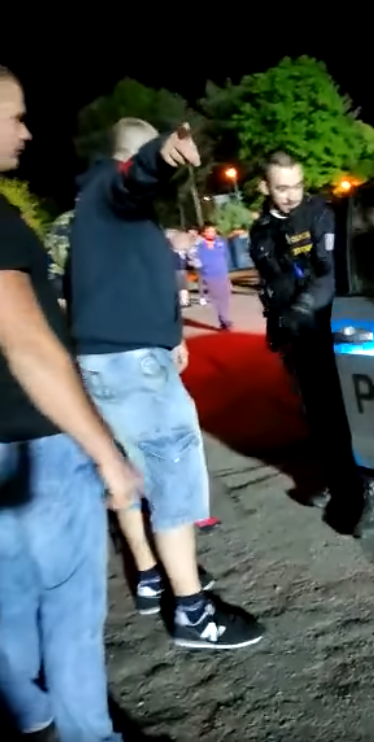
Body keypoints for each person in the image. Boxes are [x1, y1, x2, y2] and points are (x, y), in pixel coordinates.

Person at [66, 117, 263, 649]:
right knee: (173, 477)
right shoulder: (111, 191)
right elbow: (134, 178)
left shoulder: (98, 214)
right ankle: (193, 612)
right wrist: (159, 156)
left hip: (120, 360)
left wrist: (169, 334)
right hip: (132, 367)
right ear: (129, 155)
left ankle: (155, 577)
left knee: (135, 473)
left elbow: (127, 283)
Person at [0, 67, 141, 741]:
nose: (25, 131)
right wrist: (105, 452)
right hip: (36, 446)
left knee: (10, 602)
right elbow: (26, 343)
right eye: (13, 115)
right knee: (70, 611)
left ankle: (29, 713)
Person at [249, 151, 374, 538]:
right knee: (319, 417)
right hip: (297, 337)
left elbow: (327, 274)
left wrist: (303, 306)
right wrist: (281, 326)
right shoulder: (261, 229)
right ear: (264, 187)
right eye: (282, 188)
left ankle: (371, 493)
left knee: (346, 414)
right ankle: (339, 482)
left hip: (329, 329)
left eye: (297, 185)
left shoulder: (317, 215)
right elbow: (271, 282)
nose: (292, 195)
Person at [193, 222, 232, 329]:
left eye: (213, 231)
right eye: (209, 231)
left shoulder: (220, 244)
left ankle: (224, 320)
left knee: (225, 297)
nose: (212, 233)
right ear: (203, 233)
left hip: (222, 274)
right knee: (217, 298)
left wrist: (227, 273)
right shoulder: (199, 247)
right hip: (209, 276)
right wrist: (201, 269)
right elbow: (194, 260)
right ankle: (224, 319)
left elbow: (226, 257)